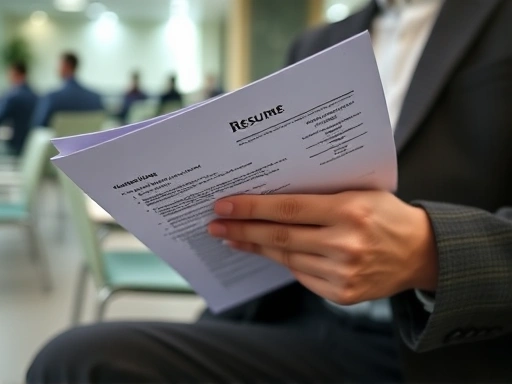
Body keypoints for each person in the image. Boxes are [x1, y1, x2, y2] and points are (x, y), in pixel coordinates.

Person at [27, 0, 512, 382]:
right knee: (76, 362)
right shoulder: (318, 42)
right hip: (300, 316)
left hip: (449, 348)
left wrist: (431, 252)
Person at [32, 52, 103, 128]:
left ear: (65, 66)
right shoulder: (96, 98)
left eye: (58, 66)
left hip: (58, 138)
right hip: (87, 140)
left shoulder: (51, 98)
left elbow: (39, 124)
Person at [0, 62, 38, 156]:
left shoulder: (13, 96)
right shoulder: (36, 96)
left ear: (14, 74)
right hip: (30, 146)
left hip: (14, 146)